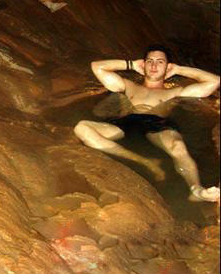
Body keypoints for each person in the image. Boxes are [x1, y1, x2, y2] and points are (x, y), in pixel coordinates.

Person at [74, 45, 220, 202]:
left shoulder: (174, 92)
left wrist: (178, 69)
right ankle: (142, 161)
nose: (154, 65)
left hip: (156, 124)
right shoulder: (129, 86)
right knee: (82, 127)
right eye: (150, 61)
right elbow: (97, 67)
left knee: (177, 145)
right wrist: (131, 64)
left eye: (160, 62)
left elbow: (214, 81)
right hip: (126, 122)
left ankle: (196, 190)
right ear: (143, 65)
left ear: (167, 67)